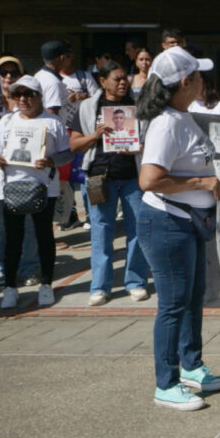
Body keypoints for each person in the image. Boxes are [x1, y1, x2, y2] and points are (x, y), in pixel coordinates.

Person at [136, 46, 220, 411]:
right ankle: (166, 384)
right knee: (173, 305)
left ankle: (191, 365)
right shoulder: (168, 123)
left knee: (191, 298)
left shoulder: (182, 115)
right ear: (186, 82)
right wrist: (202, 184)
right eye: (200, 76)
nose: (204, 81)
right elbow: (149, 179)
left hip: (186, 223)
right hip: (167, 222)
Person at [69, 61, 151, 306]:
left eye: (125, 78)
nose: (123, 82)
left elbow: (152, 143)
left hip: (132, 178)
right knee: (101, 232)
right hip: (99, 176)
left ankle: (135, 282)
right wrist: (94, 135)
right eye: (117, 78)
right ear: (103, 81)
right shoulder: (87, 107)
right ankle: (100, 287)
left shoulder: (139, 106)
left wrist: (135, 150)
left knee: (137, 231)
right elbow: (74, 145)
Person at [0, 76, 72, 309]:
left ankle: (46, 284)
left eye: (28, 95)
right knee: (12, 238)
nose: (23, 100)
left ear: (39, 97)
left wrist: (51, 161)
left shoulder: (53, 122)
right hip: (11, 187)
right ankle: (10, 288)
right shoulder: (6, 121)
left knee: (44, 235)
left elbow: (66, 153)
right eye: (17, 95)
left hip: (45, 187)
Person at [0, 56, 42, 290]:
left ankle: (29, 268)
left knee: (28, 222)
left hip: (26, 171)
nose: (7, 77)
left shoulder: (27, 100)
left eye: (13, 73)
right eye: (2, 72)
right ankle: (1, 268)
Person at [34, 40, 74, 115]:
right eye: (67, 56)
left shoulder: (38, 75)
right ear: (62, 58)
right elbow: (52, 113)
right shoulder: (54, 82)